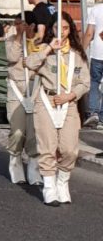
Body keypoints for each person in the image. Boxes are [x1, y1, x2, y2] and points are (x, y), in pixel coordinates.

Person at [27, 12, 89, 206]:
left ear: (70, 30)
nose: (61, 32)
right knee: (47, 145)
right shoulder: (44, 49)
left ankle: (62, 181)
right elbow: (29, 64)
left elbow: (85, 82)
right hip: (46, 101)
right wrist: (48, 49)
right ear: (51, 29)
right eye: (57, 28)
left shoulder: (77, 54)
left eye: (65, 28)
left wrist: (70, 96)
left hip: (68, 103)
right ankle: (49, 187)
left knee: (69, 149)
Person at [4, 14, 41, 185]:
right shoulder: (11, 40)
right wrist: (19, 36)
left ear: (31, 25)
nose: (17, 26)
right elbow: (12, 57)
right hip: (16, 89)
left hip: (35, 89)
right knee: (17, 130)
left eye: (21, 23)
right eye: (16, 23)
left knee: (34, 132)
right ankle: (15, 160)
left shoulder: (40, 43)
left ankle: (34, 167)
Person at [82, 0, 103, 129]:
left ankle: (93, 113)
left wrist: (82, 51)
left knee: (94, 83)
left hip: (97, 53)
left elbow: (89, 33)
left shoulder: (95, 10)